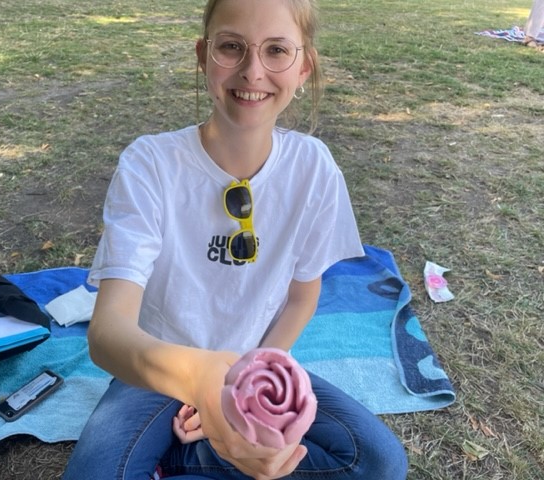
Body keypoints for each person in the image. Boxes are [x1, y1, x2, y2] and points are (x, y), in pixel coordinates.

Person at [62, 0, 408, 479]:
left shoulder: (314, 168)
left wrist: (247, 385)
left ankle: (191, 458)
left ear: (304, 66)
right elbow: (107, 335)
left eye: (276, 50)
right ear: (202, 56)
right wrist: (200, 380)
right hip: (159, 369)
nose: (252, 71)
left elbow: (301, 298)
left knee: (378, 462)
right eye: (231, 47)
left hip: (257, 372)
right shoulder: (150, 165)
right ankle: (199, 456)